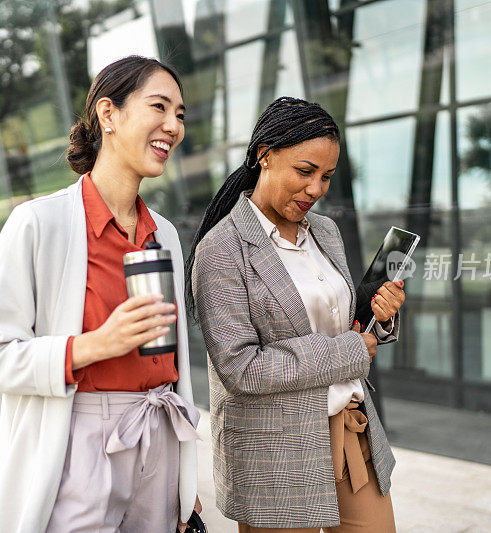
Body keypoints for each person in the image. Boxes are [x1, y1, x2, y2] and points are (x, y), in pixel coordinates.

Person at [0, 55, 201, 533]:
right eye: (159, 106)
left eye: (180, 114)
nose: (173, 126)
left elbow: (174, 371)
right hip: (79, 440)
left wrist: (184, 478)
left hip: (159, 433)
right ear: (108, 114)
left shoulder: (168, 236)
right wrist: (97, 344)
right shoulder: (38, 224)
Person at [186, 97, 405, 532]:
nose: (316, 189)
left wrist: (380, 318)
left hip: (351, 429)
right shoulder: (221, 251)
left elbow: (346, 327)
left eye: (326, 177)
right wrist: (348, 351)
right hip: (276, 454)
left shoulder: (324, 231)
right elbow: (242, 368)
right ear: (264, 156)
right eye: (305, 171)